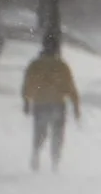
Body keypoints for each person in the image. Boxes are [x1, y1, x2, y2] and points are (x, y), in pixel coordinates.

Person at [21, 33, 82, 172]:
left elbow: (27, 84)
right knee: (57, 135)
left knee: (39, 131)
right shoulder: (61, 66)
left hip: (40, 103)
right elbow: (70, 87)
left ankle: (36, 153)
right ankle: (55, 162)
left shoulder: (35, 65)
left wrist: (26, 101)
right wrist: (76, 106)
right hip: (57, 104)